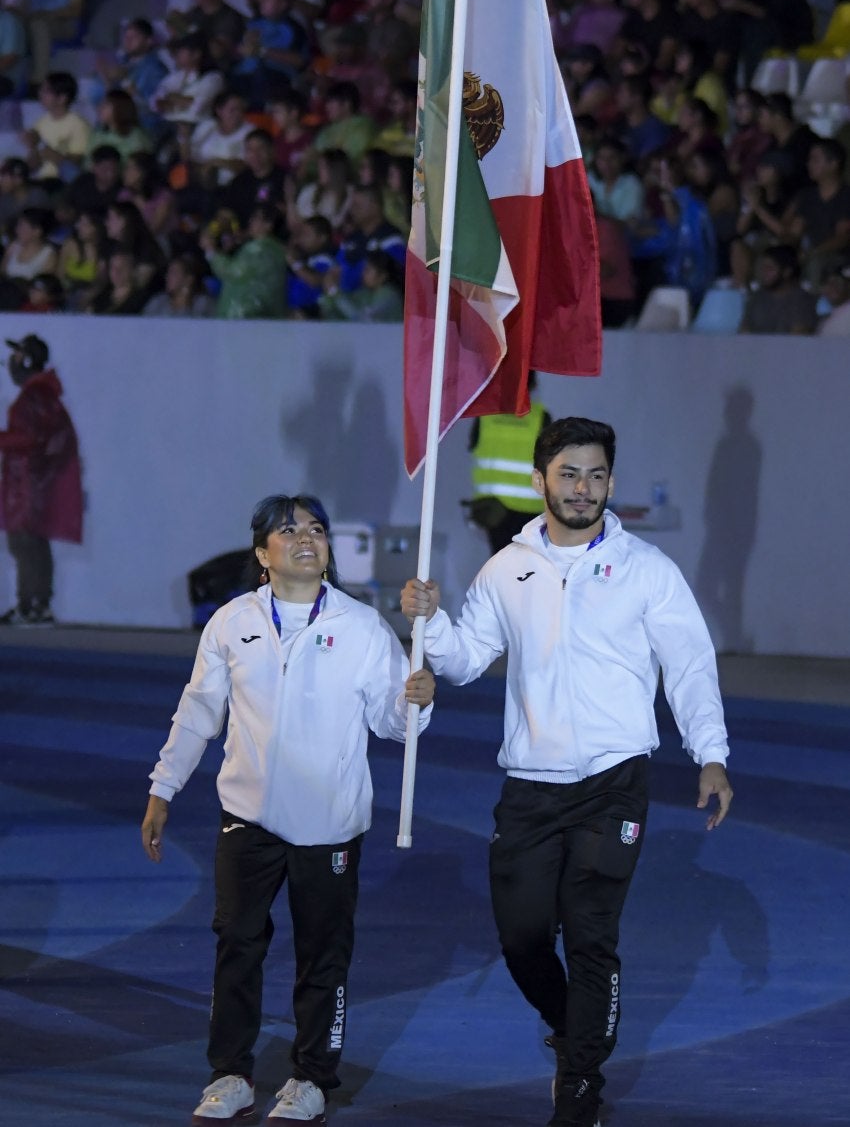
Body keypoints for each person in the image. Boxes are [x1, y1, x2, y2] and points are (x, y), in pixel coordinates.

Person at [401, 415, 733, 1127]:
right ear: (539, 480)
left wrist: (711, 753)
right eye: (569, 474)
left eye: (596, 475)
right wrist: (430, 622)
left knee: (590, 933)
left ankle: (581, 1082)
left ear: (610, 481)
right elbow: (464, 660)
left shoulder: (648, 570)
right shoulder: (507, 569)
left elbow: (690, 667)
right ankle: (570, 1023)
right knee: (522, 938)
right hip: (530, 783)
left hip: (614, 782)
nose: (583, 489)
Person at [141, 493, 434, 1124]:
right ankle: (230, 1075)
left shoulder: (362, 627)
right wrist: (163, 789)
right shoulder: (231, 623)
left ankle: (311, 1078)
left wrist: (419, 698)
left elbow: (394, 726)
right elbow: (198, 715)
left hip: (329, 825)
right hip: (247, 821)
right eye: (289, 529)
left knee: (322, 956)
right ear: (261, 553)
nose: (306, 538)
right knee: (237, 947)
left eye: (317, 529)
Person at [0, 333, 82, 625]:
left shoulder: (34, 396)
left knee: (25, 543)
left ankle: (32, 603)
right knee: (31, 542)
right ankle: (34, 602)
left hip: (28, 483)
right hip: (34, 480)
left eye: (19, 355)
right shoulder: (42, 394)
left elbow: (30, 437)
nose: (12, 362)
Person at [466, 373, 551, 555]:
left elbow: (473, 448)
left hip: (493, 510)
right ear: (533, 385)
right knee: (527, 572)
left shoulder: (485, 416)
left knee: (499, 569)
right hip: (532, 513)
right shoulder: (541, 418)